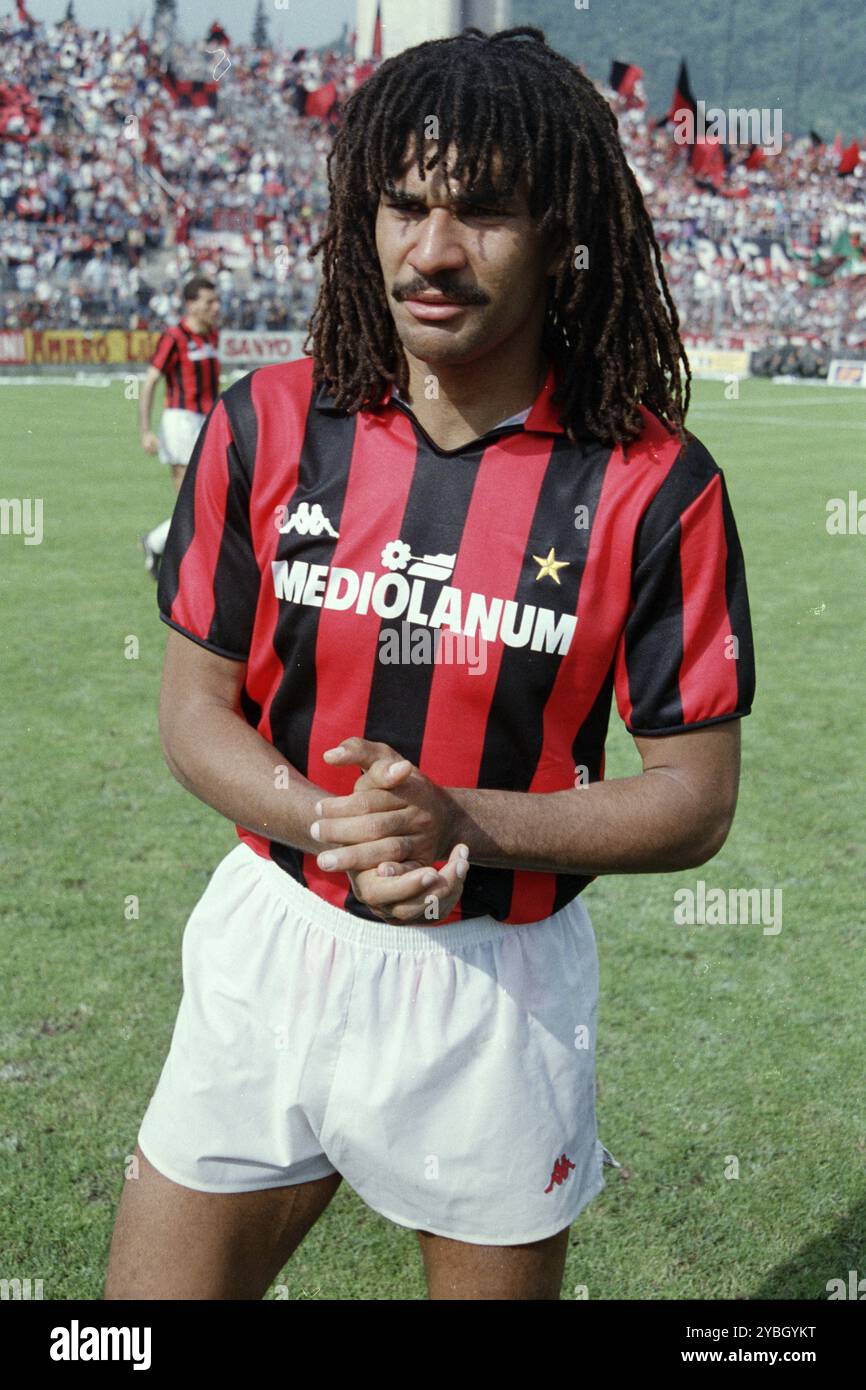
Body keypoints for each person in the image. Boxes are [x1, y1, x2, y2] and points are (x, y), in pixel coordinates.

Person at [105, 26, 755, 1301]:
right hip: (270, 950)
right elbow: (193, 712)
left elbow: (694, 797)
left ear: (561, 229)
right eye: (404, 204)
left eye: (484, 212)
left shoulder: (652, 485)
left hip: (496, 994)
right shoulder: (263, 424)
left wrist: (460, 823)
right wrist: (332, 822)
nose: (433, 250)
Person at [138, 275, 220, 579]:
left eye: (216, 300)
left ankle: (155, 541)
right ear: (190, 304)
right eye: (209, 301)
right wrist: (145, 431)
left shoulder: (212, 335)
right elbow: (149, 383)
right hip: (180, 422)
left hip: (208, 422)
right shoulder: (175, 336)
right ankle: (191, 567)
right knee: (193, 500)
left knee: (208, 497)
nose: (216, 307)